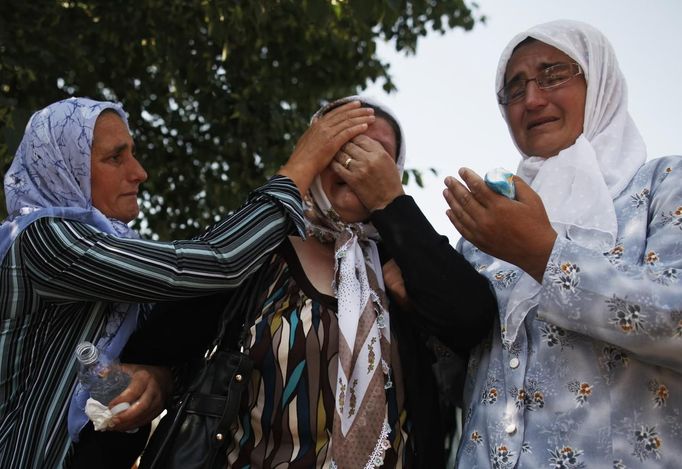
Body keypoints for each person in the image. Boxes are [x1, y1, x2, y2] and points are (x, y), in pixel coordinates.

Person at [0, 96, 374, 469]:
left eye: (132, 153)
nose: (139, 172)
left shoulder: (118, 258)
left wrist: (158, 381)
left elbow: (117, 361)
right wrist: (301, 166)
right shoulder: (41, 241)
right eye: (116, 157)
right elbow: (216, 263)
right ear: (64, 169)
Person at [123, 96, 496, 468]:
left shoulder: (410, 259)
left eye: (377, 154)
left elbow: (473, 319)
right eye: (344, 145)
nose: (359, 162)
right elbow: (161, 342)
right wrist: (154, 379)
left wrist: (392, 203)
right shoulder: (261, 249)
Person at [442, 20, 682, 468]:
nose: (532, 99)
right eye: (514, 89)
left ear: (600, 81)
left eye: (553, 74)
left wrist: (542, 253)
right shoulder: (486, 231)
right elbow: (450, 377)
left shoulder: (663, 187)